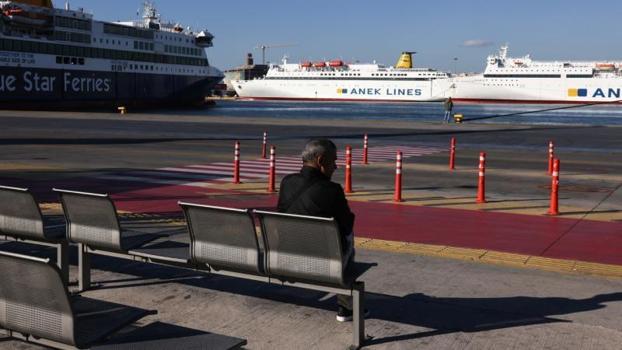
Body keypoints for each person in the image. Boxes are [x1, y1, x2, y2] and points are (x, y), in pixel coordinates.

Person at [277, 138, 364, 322]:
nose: (336, 167)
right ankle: (346, 307)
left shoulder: (287, 181)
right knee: (348, 238)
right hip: (322, 260)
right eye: (334, 161)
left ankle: (346, 304)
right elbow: (347, 225)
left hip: (284, 254)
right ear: (321, 160)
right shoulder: (331, 190)